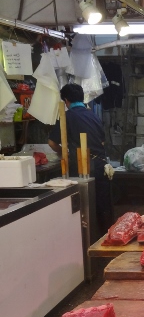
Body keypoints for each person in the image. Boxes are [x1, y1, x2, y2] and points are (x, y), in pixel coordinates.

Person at [48, 83, 113, 234]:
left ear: (66, 100)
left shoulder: (67, 116)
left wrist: (65, 153)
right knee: (103, 206)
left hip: (82, 166)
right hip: (102, 165)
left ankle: (86, 239)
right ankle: (106, 238)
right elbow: (102, 142)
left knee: (84, 207)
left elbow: (52, 143)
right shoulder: (93, 115)